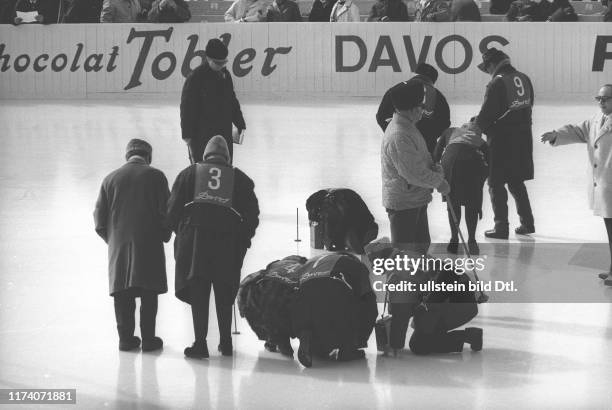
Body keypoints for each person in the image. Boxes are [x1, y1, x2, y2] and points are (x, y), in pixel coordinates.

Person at [168, 136, 259, 358]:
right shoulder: (240, 179)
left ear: (205, 156)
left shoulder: (189, 174)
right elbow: (252, 216)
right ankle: (226, 343)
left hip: (196, 246)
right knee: (223, 292)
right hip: (227, 245)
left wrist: (181, 233)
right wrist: (242, 240)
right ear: (227, 158)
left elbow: (171, 212)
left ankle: (200, 343)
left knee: (199, 294)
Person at [94, 139, 171, 352]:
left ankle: (126, 339)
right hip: (149, 244)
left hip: (119, 246)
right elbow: (167, 212)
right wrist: (164, 235)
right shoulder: (156, 176)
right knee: (149, 292)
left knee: (122, 293)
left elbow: (99, 222)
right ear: (148, 156)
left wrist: (114, 241)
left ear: (127, 156)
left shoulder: (109, 179)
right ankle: (148, 339)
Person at [541, 85, 612, 286]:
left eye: (605, 98)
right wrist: (557, 135)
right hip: (604, 185)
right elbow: (579, 131)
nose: (601, 102)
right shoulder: (597, 119)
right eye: (598, 98)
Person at [381, 81, 450, 254]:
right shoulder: (399, 135)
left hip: (414, 198)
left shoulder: (408, 127)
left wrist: (436, 169)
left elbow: (421, 159)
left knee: (420, 248)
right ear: (412, 109)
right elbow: (413, 173)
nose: (423, 111)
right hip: (404, 203)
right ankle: (401, 282)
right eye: (420, 107)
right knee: (405, 254)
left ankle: (417, 280)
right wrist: (438, 182)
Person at [474, 48, 536, 239]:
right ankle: (527, 223)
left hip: (500, 140)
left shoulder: (497, 82)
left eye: (487, 68)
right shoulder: (524, 78)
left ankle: (501, 227)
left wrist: (475, 129)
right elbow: (528, 105)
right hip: (523, 138)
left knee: (495, 182)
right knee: (516, 181)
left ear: (492, 64)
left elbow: (486, 115)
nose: (487, 72)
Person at [180, 38, 246, 164]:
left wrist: (240, 123)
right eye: (217, 63)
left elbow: (232, 100)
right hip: (201, 134)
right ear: (208, 58)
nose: (221, 66)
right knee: (201, 170)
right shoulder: (196, 77)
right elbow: (187, 107)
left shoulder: (225, 75)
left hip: (224, 132)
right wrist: (187, 134)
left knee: (225, 168)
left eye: (223, 62)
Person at [433, 120, 488, 255]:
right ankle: (472, 242)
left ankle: (454, 240)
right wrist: (480, 182)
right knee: (471, 206)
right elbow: (490, 162)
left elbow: (437, 151)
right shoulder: (480, 141)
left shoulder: (450, 131)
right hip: (472, 165)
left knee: (453, 204)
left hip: (450, 163)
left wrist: (436, 168)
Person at [377, 63, 451, 155]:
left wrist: (393, 133)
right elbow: (445, 122)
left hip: (399, 143)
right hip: (427, 147)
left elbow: (381, 116)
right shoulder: (438, 96)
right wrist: (428, 137)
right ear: (432, 80)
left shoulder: (395, 90)